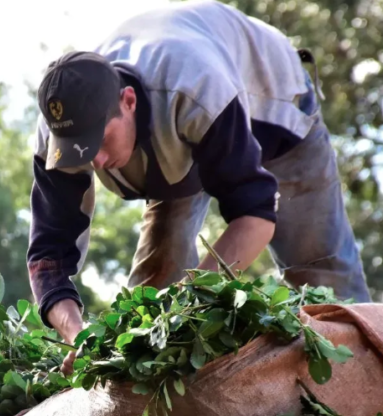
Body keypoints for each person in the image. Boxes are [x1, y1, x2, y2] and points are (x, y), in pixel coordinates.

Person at [26, 0, 370, 375]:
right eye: (80, 149)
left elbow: (253, 215)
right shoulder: (59, 136)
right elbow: (48, 261)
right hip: (179, 137)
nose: (97, 161)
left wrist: (184, 308)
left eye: (100, 142)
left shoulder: (196, 90)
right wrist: (80, 337)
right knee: (150, 301)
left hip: (273, 109)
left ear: (128, 102)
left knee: (326, 284)